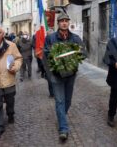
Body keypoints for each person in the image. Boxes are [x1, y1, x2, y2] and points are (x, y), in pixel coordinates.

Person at [44, 12, 85, 141]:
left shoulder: (76, 38)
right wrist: (49, 72)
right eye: (62, 21)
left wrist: (76, 55)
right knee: (60, 101)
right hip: (56, 76)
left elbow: (84, 52)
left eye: (66, 21)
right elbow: (44, 55)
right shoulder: (50, 38)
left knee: (67, 101)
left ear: (69, 23)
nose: (64, 23)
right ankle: (63, 128)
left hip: (71, 75)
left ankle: (61, 114)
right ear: (58, 23)